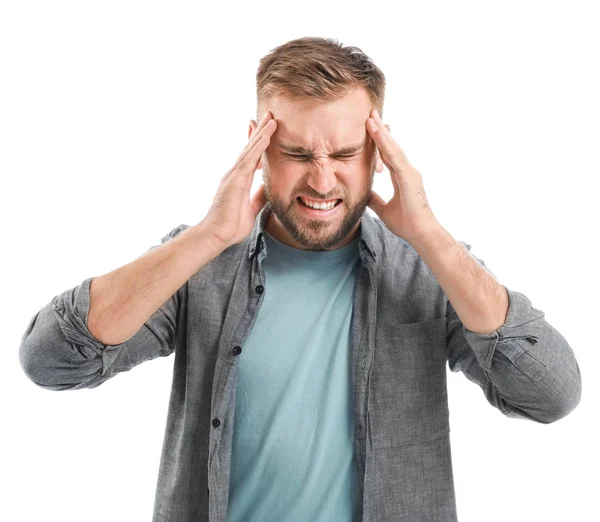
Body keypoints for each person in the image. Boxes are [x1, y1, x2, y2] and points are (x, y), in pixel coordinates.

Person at [19, 36, 582, 522]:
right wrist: (208, 236)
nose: (321, 178)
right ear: (256, 145)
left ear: (380, 151)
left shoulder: (427, 269)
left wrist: (431, 235)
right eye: (294, 152)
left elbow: (551, 395)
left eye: (344, 153)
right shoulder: (199, 265)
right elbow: (52, 360)